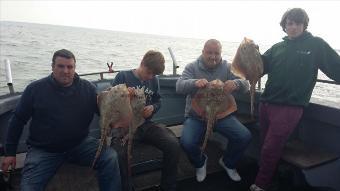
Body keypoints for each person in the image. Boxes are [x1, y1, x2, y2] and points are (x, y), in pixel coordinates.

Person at [1, 49, 122, 191]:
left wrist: (121, 107)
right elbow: (17, 120)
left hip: (80, 145)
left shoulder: (88, 88)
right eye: (61, 66)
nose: (66, 71)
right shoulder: (35, 89)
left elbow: (104, 112)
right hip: (45, 150)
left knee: (110, 158)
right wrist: (10, 153)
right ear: (52, 67)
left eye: (70, 67)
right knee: (28, 187)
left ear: (74, 68)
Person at [250, 8, 340, 191]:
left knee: (270, 147)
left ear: (304, 25)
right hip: (266, 103)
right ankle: (273, 175)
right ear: (284, 26)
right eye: (289, 23)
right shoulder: (277, 47)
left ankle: (261, 184)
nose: (293, 27)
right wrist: (252, 54)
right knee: (265, 143)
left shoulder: (316, 44)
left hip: (290, 107)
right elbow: (259, 68)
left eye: (298, 23)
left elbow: (336, 67)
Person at [176, 39, 252, 182]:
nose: (213, 56)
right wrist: (195, 82)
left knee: (244, 136)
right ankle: (200, 162)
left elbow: (246, 84)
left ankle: (228, 162)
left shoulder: (229, 68)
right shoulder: (192, 67)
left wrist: (236, 83)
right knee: (187, 142)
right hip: (196, 115)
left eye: (216, 53)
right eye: (209, 53)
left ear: (221, 53)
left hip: (221, 114)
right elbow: (179, 86)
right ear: (203, 52)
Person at [111, 50, 180, 191]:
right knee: (118, 155)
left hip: (144, 124)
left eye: (153, 75)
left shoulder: (153, 80)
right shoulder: (123, 76)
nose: (150, 77)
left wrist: (152, 107)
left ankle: (168, 187)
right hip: (123, 126)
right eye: (149, 72)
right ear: (142, 63)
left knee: (173, 144)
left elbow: (158, 100)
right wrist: (124, 95)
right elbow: (111, 102)